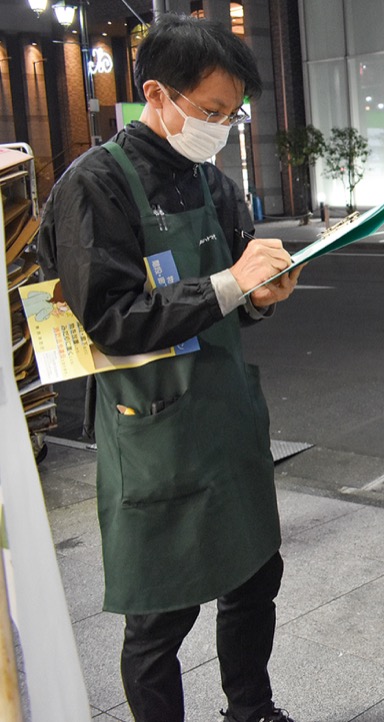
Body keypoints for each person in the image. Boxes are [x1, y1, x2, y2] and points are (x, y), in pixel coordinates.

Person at [37, 15, 300, 722]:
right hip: (153, 429)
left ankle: (252, 708)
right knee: (159, 617)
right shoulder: (94, 186)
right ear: (157, 93)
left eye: (231, 113)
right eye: (210, 111)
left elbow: (240, 299)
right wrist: (228, 285)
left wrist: (264, 297)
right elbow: (111, 319)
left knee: (254, 579)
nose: (219, 126)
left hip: (227, 418)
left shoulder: (213, 185)